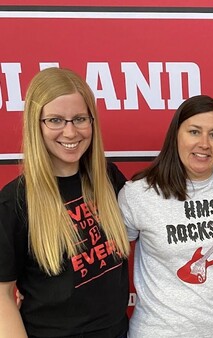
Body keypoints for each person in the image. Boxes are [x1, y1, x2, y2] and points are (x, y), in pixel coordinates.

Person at [0, 67, 131, 337]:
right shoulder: (13, 203)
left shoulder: (109, 178)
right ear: (36, 124)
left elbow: (169, 195)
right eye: (56, 120)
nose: (70, 133)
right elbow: (2, 297)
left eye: (79, 119)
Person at [118, 95, 213, 338]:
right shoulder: (138, 194)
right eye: (194, 132)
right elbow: (113, 258)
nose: (205, 143)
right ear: (176, 135)